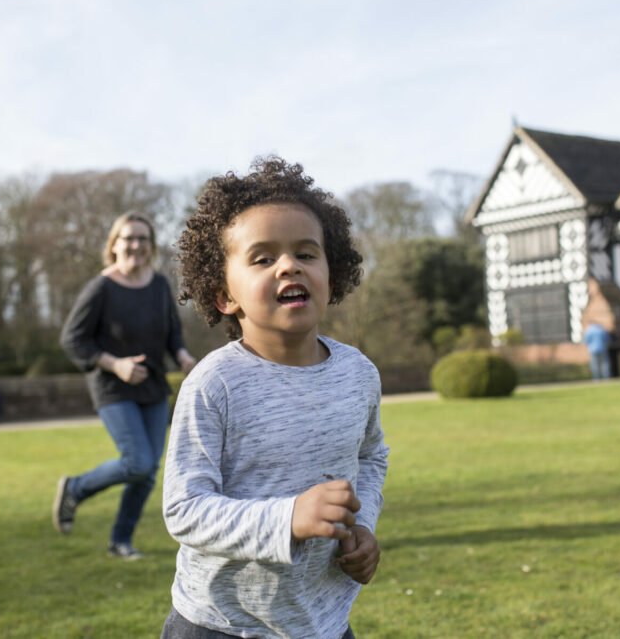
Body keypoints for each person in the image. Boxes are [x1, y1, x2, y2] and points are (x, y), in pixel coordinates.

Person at [161, 157, 390, 638]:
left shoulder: (358, 373)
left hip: (323, 621)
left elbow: (370, 457)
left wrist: (363, 525)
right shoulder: (214, 383)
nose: (289, 265)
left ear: (333, 270)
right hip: (220, 624)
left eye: (307, 254)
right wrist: (287, 518)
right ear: (225, 294)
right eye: (263, 258)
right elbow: (184, 508)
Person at [54, 211, 197, 560]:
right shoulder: (101, 287)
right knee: (137, 462)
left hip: (152, 387)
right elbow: (73, 340)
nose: (135, 245)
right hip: (113, 389)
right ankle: (75, 488)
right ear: (114, 244)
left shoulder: (160, 284)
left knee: (146, 474)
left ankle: (120, 542)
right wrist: (115, 364)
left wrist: (181, 355)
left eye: (142, 239)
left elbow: (171, 332)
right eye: (128, 238)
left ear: (150, 246)